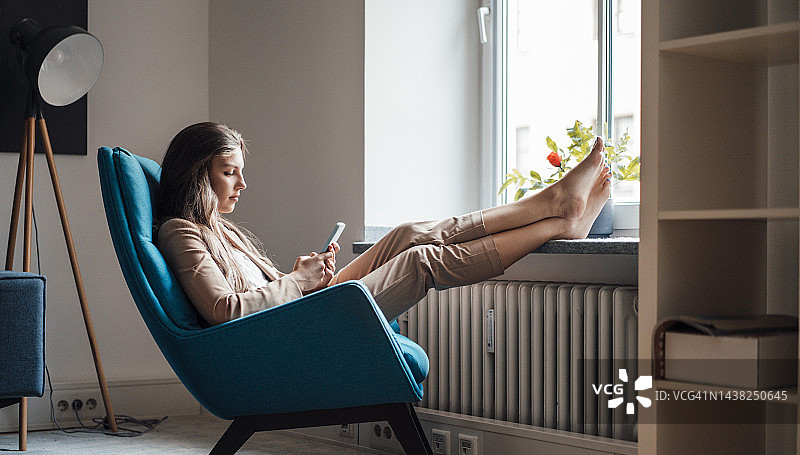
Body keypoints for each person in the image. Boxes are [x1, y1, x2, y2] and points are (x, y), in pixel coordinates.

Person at [156, 122, 610, 327]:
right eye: (229, 171)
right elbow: (224, 312)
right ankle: (556, 222)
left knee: (406, 234)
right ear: (198, 173)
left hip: (297, 311)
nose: (242, 183)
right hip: (289, 332)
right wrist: (296, 281)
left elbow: (258, 293)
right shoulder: (182, 232)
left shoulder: (221, 228)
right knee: (420, 262)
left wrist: (300, 275)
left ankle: (552, 207)